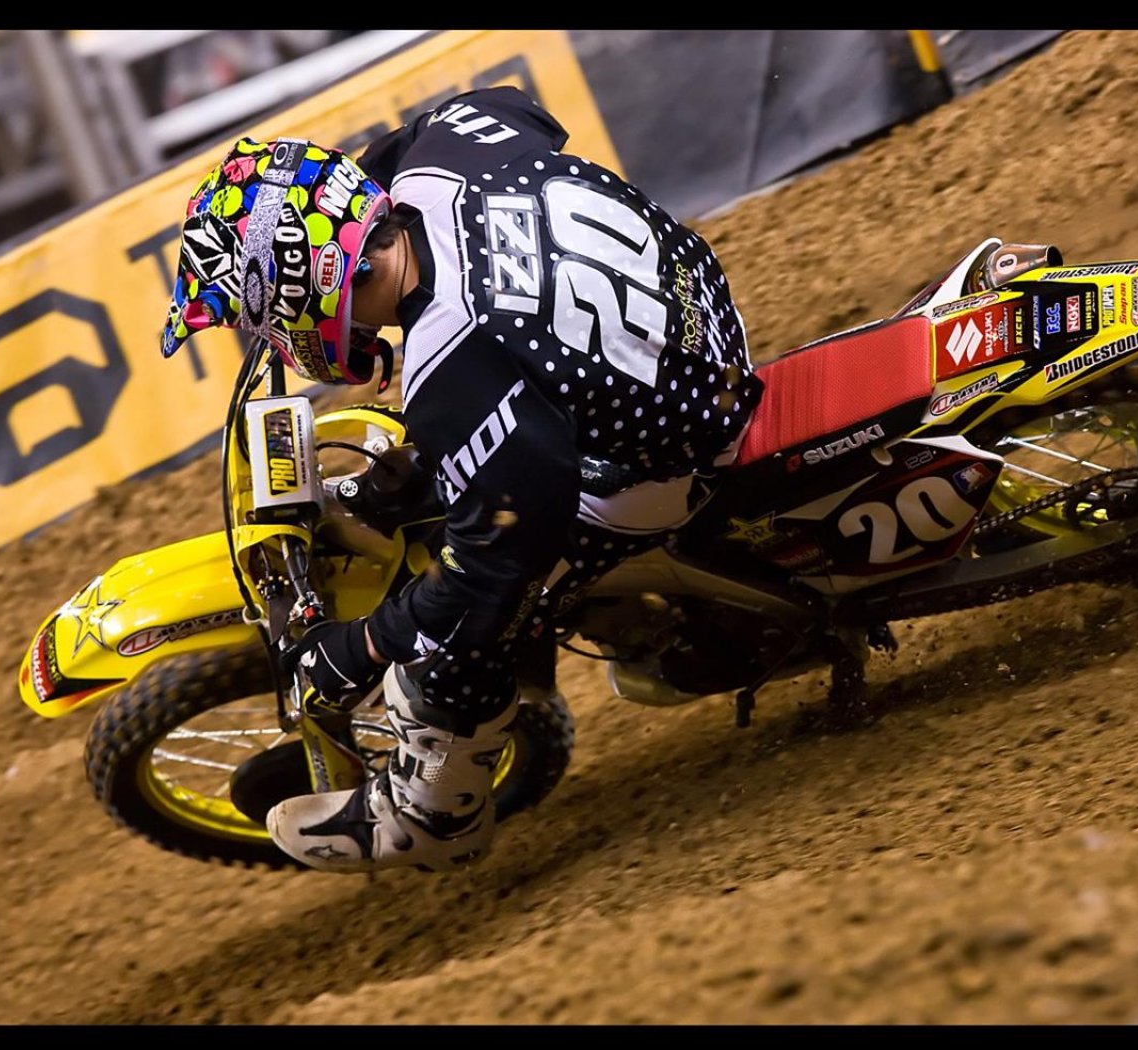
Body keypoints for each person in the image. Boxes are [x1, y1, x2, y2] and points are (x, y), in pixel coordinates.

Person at [160, 86, 763, 873]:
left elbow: (495, 569)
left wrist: (363, 646)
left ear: (310, 290)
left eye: (266, 316)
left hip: (671, 452)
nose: (269, 336)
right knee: (466, 478)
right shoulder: (447, 148)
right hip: (695, 314)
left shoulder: (451, 369)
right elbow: (517, 108)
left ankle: (433, 818)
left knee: (460, 629)